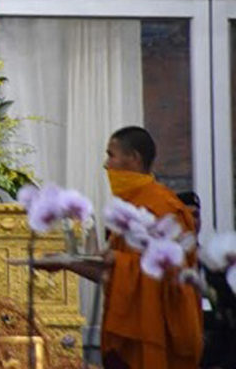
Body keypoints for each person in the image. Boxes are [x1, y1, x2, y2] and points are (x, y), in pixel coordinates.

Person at [41, 127, 202, 369]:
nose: (107, 165)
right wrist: (67, 262)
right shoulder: (128, 208)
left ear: (134, 158)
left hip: (159, 336)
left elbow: (173, 278)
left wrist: (118, 259)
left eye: (111, 155)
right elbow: (113, 277)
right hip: (126, 339)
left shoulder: (164, 207)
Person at [176, 191, 236, 369]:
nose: (191, 221)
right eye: (185, 215)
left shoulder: (212, 265)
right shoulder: (166, 266)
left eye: (195, 215)